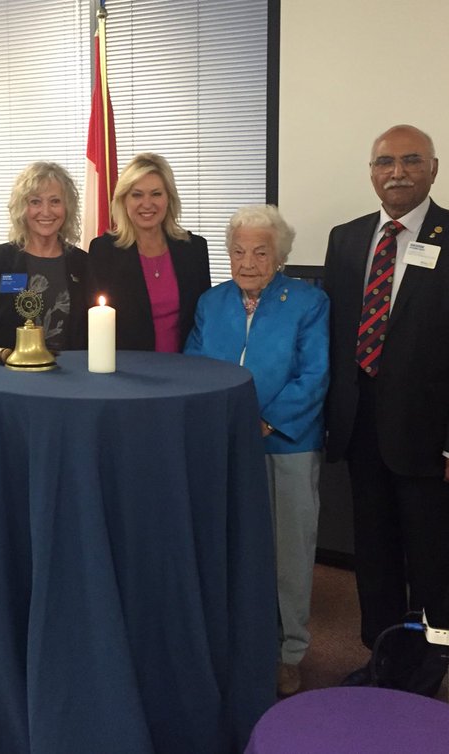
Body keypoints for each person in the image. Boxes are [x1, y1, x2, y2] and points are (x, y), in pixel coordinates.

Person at [322, 124, 449, 695]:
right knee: (373, 557)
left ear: (434, 168)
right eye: (383, 162)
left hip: (433, 440)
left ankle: (426, 675)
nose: (396, 171)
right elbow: (337, 336)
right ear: (371, 172)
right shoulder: (346, 238)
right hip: (361, 428)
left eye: (409, 160)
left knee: (430, 560)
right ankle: (383, 659)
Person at [184, 205, 329, 697]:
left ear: (280, 256)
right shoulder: (212, 301)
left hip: (285, 444)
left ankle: (289, 654)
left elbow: (314, 376)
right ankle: (235, 644)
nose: (247, 262)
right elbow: (194, 365)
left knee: (287, 552)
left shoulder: (307, 302)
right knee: (225, 546)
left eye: (260, 252)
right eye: (238, 251)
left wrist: (265, 422)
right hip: (221, 445)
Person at [88, 152, 210, 352]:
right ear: (124, 199)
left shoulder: (194, 249)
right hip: (128, 373)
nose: (147, 204)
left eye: (156, 194)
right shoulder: (104, 251)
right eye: (137, 194)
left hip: (187, 371)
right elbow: (94, 327)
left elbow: (203, 321)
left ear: (169, 198)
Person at [0, 161, 88, 360]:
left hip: (71, 379)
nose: (46, 211)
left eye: (55, 201)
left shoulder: (82, 263)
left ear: (67, 207)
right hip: (10, 378)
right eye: (35, 202)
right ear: (22, 208)